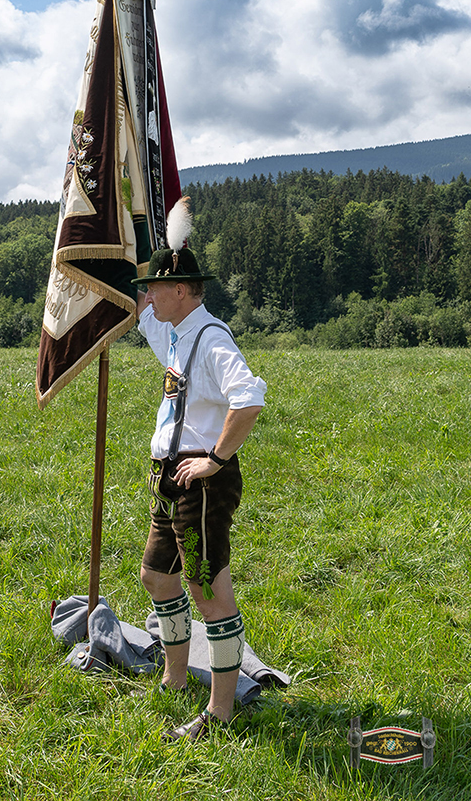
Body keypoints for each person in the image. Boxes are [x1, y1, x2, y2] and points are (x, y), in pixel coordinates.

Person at [133, 239, 266, 742]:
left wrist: (215, 458)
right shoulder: (174, 330)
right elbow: (141, 314)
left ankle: (221, 711)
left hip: (201, 483)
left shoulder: (211, 339)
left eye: (155, 287)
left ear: (183, 290)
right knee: (157, 579)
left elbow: (249, 399)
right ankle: (174, 675)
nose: (148, 296)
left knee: (207, 593)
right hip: (167, 476)